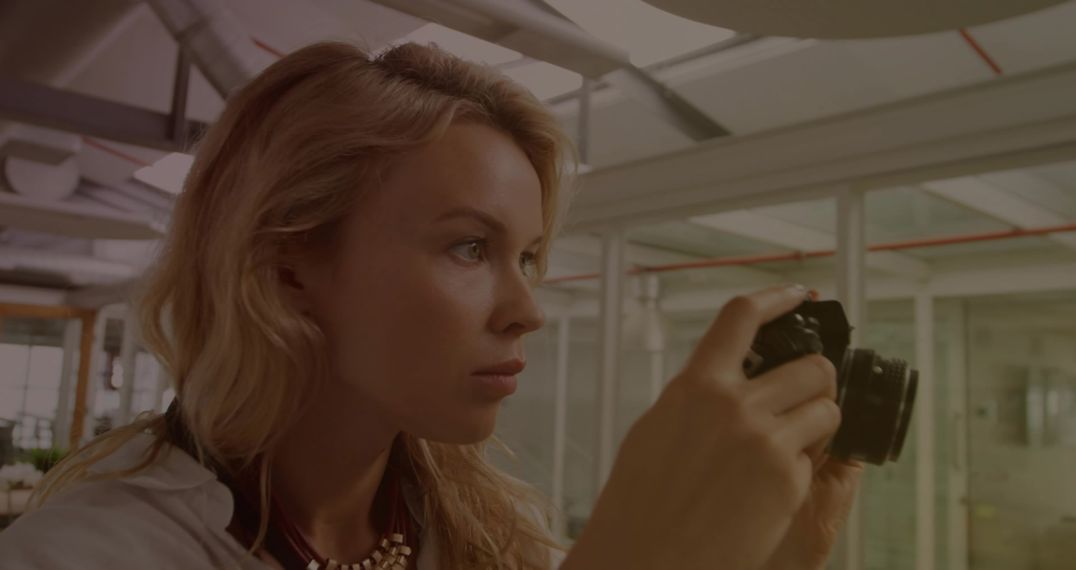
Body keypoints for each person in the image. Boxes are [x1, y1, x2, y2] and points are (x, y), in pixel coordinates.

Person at [0, 41, 861, 569]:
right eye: (469, 247)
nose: (528, 308)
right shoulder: (84, 555)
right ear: (290, 268)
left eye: (528, 255)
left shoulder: (496, 533)